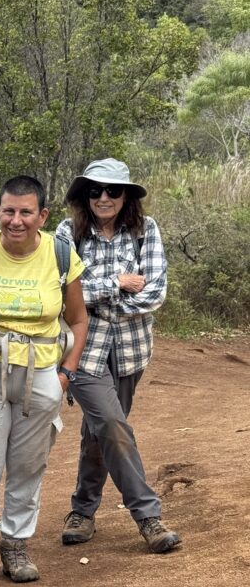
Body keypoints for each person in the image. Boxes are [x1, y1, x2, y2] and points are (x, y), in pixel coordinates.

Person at [0, 175, 88, 587]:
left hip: (41, 374)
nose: (16, 220)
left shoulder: (60, 256)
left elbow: (78, 318)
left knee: (28, 466)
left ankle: (17, 545)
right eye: (9, 211)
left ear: (42, 215)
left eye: (26, 212)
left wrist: (66, 374)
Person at [57, 159, 180, 553]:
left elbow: (154, 292)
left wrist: (93, 298)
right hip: (83, 352)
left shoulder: (147, 230)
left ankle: (82, 510)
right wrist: (117, 284)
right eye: (95, 190)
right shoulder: (67, 233)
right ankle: (148, 516)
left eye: (112, 190)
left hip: (131, 352)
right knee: (111, 425)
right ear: (84, 196)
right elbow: (61, 292)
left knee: (101, 431)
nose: (104, 197)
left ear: (126, 195)